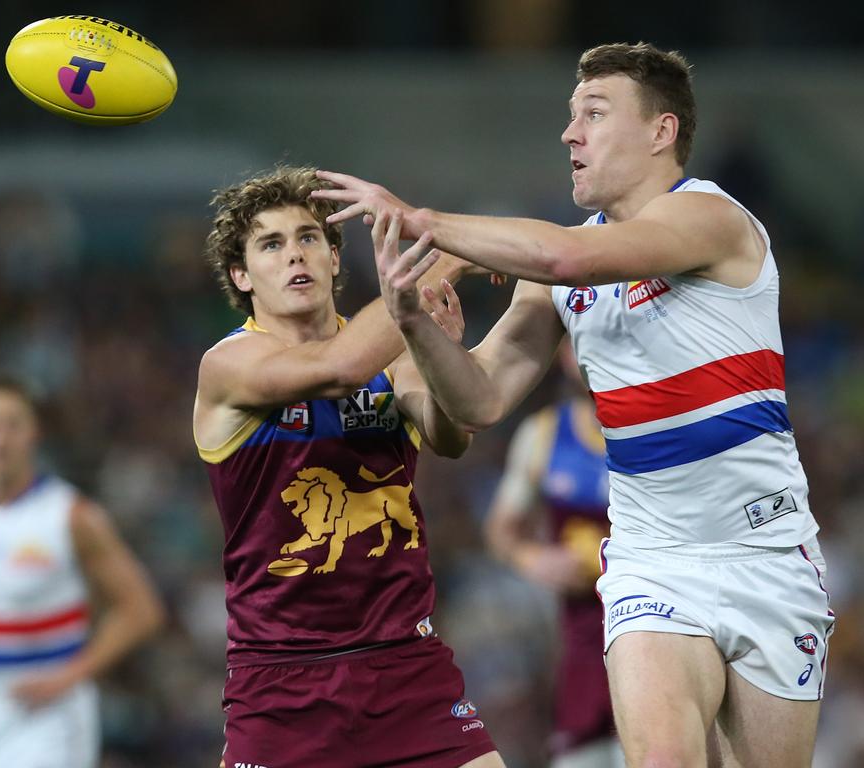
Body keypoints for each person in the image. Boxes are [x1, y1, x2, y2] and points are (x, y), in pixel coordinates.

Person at [313, 41, 836, 768]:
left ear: (662, 132)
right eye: (569, 116)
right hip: (653, 563)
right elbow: (481, 398)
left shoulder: (713, 219)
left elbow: (566, 257)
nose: (569, 133)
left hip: (767, 555)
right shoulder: (561, 272)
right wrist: (411, 323)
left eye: (593, 113)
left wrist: (424, 220)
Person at [193, 165, 504, 768]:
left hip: (405, 664)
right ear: (242, 276)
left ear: (336, 259)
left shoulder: (392, 347)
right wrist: (446, 259)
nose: (294, 255)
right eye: (271, 244)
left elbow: (450, 438)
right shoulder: (229, 364)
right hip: (282, 679)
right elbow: (339, 369)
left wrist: (439, 358)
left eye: (309, 237)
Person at [0, 373, 164, 768]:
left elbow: (142, 610)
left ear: (34, 433)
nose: (0, 439)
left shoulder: (71, 517)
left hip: (52, 719)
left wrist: (72, 675)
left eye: (13, 424)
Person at [484, 343, 624, 768]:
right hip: (584, 638)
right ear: (565, 354)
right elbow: (502, 528)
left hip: (660, 627)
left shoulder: (661, 428)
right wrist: (533, 559)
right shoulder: (544, 435)